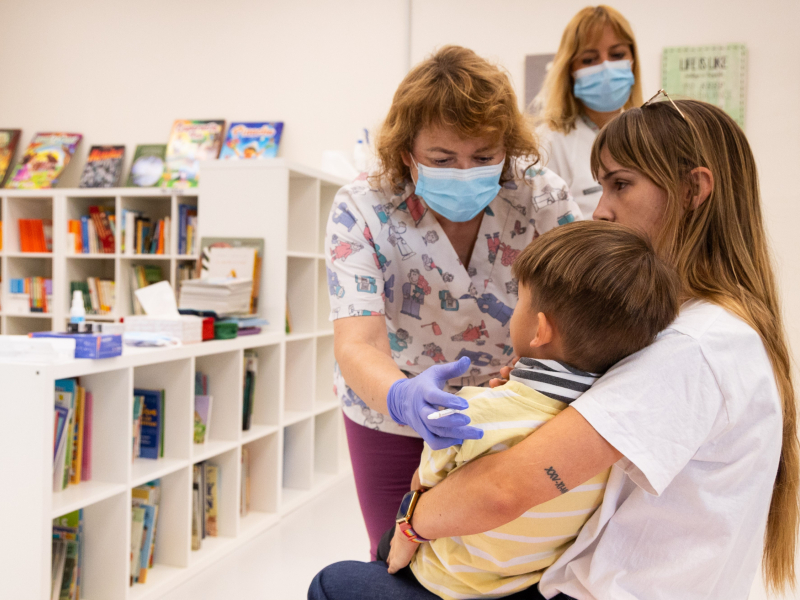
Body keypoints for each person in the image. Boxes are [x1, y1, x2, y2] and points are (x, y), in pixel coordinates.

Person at [308, 97, 800, 600]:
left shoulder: (691, 347)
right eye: (442, 157)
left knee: (338, 583)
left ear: (693, 190)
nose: (601, 211)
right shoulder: (710, 329)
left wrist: (412, 521)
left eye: (620, 184)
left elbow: (504, 488)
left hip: (593, 588)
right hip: (579, 576)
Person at [310, 221, 680, 600]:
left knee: (341, 577)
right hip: (523, 583)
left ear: (539, 330)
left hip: (445, 582)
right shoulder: (608, 435)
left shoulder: (474, 411)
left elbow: (425, 490)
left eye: (519, 300)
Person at [327, 45, 582, 560]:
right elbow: (357, 344)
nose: (466, 172)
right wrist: (403, 398)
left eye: (484, 158)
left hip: (513, 405)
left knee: (501, 565)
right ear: (406, 154)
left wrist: (544, 360)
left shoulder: (540, 198)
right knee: (397, 562)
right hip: (391, 415)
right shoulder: (363, 207)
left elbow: (582, 301)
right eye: (442, 160)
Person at [534, 6, 643, 217]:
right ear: (570, 70)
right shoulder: (549, 144)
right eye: (589, 59)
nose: (605, 67)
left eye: (617, 54)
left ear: (633, 61)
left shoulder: (647, 135)